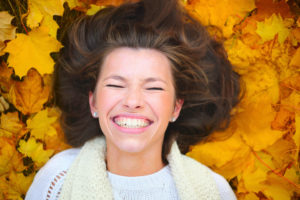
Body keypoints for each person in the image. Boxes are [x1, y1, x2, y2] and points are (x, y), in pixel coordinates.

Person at [25, 0, 240, 199]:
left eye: (153, 87)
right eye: (116, 85)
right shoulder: (56, 181)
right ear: (93, 102)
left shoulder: (214, 191)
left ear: (176, 107)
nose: (133, 101)